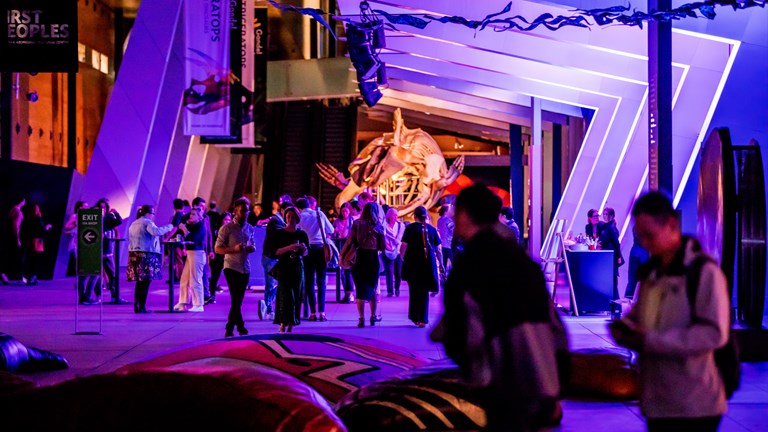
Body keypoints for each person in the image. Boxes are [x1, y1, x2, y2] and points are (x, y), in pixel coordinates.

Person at [433, 184, 567, 432]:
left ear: (464, 215)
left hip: (502, 383)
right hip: (543, 380)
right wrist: (557, 383)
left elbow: (463, 332)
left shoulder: (469, 267)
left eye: (455, 212)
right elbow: (555, 327)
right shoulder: (525, 264)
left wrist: (469, 366)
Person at [610, 191, 730, 432]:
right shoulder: (652, 274)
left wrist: (651, 340)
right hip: (657, 402)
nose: (645, 243)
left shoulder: (704, 273)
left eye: (650, 235)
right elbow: (642, 317)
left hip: (694, 403)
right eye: (640, 236)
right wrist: (626, 328)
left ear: (672, 225)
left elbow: (714, 334)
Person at [215, 197, 257, 337]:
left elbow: (253, 244)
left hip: (245, 268)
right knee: (236, 299)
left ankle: (233, 328)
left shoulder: (250, 228)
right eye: (243, 211)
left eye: (247, 211)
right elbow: (217, 249)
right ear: (235, 212)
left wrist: (251, 248)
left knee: (238, 300)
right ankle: (237, 327)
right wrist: (234, 249)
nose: (246, 213)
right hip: (231, 267)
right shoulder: (227, 228)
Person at [400, 206, 443, 328]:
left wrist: (402, 258)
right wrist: (441, 264)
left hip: (412, 264)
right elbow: (438, 249)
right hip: (427, 264)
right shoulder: (432, 229)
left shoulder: (410, 228)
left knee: (414, 291)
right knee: (424, 292)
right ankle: (423, 319)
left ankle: (415, 317)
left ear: (415, 216)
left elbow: (403, 246)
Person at [127, 204, 174, 313]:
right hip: (146, 255)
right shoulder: (147, 223)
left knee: (139, 282)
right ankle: (142, 306)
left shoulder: (134, 223)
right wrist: (169, 227)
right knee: (146, 282)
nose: (153, 215)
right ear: (148, 213)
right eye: (153, 213)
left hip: (134, 254)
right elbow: (156, 232)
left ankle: (137, 305)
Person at [345, 201, 385, 327]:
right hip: (372, 258)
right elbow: (382, 247)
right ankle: (373, 316)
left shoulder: (356, 223)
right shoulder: (378, 226)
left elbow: (350, 240)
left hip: (359, 257)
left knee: (360, 288)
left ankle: (361, 319)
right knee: (372, 287)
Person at [271, 206, 309, 333]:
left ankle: (292, 322)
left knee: (296, 294)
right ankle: (282, 322)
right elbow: (275, 252)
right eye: (288, 217)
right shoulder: (280, 233)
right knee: (284, 294)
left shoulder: (301, 234)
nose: (290, 219)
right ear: (285, 218)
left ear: (297, 218)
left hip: (297, 266)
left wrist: (303, 249)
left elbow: (306, 254)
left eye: (293, 217)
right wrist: (289, 247)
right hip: (284, 266)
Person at [296, 197, 334, 322]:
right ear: (309, 205)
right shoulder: (319, 214)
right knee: (321, 281)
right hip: (320, 249)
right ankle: (322, 312)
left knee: (309, 281)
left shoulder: (299, 217)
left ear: (299, 208)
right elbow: (331, 230)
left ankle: (312, 313)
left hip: (307, 250)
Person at [261, 202, 291, 321]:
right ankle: (268, 307)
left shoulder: (278, 221)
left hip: (272, 257)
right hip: (270, 257)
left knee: (278, 283)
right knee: (271, 284)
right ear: (282, 210)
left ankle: (267, 304)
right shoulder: (275, 222)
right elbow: (279, 237)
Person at [174, 207, 208, 312]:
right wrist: (185, 227)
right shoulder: (192, 225)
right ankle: (182, 302)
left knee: (195, 279)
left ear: (199, 217)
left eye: (193, 214)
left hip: (197, 254)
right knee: (184, 279)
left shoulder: (201, 226)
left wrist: (184, 229)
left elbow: (193, 238)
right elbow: (181, 227)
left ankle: (198, 304)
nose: (190, 216)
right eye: (190, 214)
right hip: (190, 253)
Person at [95, 198, 124, 303]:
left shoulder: (107, 218)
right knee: (97, 275)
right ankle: (98, 296)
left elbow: (119, 221)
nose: (102, 209)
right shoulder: (95, 218)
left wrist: (115, 212)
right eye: (100, 207)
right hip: (97, 250)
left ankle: (114, 296)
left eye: (104, 207)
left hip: (107, 251)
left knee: (112, 274)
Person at [20, 202, 52, 286]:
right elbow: (41, 230)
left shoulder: (26, 219)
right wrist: (47, 227)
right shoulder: (38, 218)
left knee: (29, 259)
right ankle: (32, 277)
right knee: (35, 260)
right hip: (37, 241)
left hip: (28, 241)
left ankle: (27, 278)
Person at [599, 207, 624, 299]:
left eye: (606, 214)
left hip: (611, 257)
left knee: (613, 281)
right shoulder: (606, 226)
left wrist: (618, 256)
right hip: (607, 256)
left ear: (612, 216)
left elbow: (616, 243)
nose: (604, 216)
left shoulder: (611, 227)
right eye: (604, 214)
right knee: (609, 280)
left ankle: (616, 304)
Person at [333, 202, 355, 303]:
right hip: (340, 245)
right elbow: (332, 233)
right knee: (341, 271)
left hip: (349, 247)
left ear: (349, 211)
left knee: (348, 270)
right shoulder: (337, 221)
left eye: (346, 211)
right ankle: (347, 292)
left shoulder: (352, 221)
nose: (344, 213)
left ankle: (350, 293)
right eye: (343, 211)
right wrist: (336, 233)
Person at [1, 196, 26, 284]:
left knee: (11, 256)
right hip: (14, 236)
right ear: (22, 201)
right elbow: (16, 226)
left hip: (9, 236)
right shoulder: (18, 211)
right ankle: (9, 275)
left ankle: (6, 275)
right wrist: (17, 239)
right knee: (15, 257)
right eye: (24, 201)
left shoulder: (12, 210)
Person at [208, 212, 231, 305]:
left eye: (229, 220)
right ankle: (212, 294)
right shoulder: (216, 230)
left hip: (228, 256)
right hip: (217, 255)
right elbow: (212, 241)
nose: (227, 221)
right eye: (225, 219)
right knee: (215, 275)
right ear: (222, 220)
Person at [382, 207, 404, 298]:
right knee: (389, 271)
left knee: (398, 272)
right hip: (387, 251)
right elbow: (382, 237)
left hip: (398, 251)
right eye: (394, 215)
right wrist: (386, 245)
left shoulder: (400, 226)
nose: (396, 217)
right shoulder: (384, 226)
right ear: (389, 216)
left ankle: (397, 288)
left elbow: (400, 238)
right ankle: (390, 291)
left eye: (396, 215)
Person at [63, 201, 88, 277]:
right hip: (76, 242)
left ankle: (80, 279)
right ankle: (79, 279)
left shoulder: (86, 217)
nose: (87, 208)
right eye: (85, 207)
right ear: (80, 207)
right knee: (80, 261)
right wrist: (75, 224)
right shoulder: (75, 216)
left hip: (84, 241)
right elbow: (66, 226)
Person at [624, 229, 650, 300]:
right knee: (643, 282)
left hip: (635, 253)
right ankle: (641, 302)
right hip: (644, 255)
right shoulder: (649, 228)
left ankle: (627, 301)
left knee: (631, 281)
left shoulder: (637, 227)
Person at [436, 204, 455, 273]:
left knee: (443, 265)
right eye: (450, 210)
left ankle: (443, 278)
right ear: (446, 211)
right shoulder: (448, 220)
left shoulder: (439, 220)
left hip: (442, 246)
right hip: (449, 246)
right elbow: (454, 232)